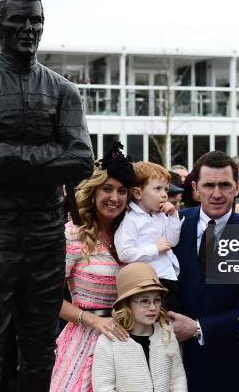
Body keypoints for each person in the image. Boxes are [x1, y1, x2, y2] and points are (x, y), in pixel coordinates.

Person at [0, 0, 94, 391]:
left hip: (45, 230)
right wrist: (49, 156)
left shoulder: (63, 90)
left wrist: (11, 161)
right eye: (19, 20)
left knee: (39, 349)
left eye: (36, 20)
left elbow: (81, 160)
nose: (30, 28)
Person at [168, 150, 239, 391]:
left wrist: (199, 328)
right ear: (196, 189)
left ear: (237, 187)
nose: (217, 194)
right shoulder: (172, 226)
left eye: (224, 185)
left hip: (225, 364)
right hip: (169, 361)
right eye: (209, 185)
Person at [51, 143, 134, 392]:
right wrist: (92, 321)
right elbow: (49, 299)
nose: (115, 198)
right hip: (83, 340)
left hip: (127, 340)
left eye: (122, 191)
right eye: (107, 189)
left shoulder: (131, 236)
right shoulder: (74, 234)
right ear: (93, 192)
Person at [92, 262, 187, 392]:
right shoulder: (108, 342)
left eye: (157, 300)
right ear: (127, 304)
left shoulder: (166, 333)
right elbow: (103, 387)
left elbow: (177, 379)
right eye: (144, 301)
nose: (153, 307)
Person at [115, 161, 182, 311]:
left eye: (166, 189)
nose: (164, 194)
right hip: (146, 283)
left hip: (169, 277)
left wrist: (173, 216)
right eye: (158, 188)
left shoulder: (161, 215)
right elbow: (124, 253)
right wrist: (154, 248)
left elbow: (172, 241)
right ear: (138, 193)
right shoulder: (131, 219)